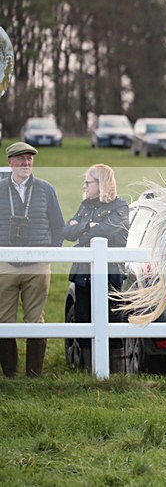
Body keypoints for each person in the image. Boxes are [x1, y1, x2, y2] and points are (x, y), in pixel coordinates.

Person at [0, 142, 64, 377]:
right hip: (4, 264)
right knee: (3, 319)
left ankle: (33, 375)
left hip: (37, 263)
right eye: (21, 159)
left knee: (35, 318)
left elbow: (58, 226)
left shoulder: (46, 189)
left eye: (29, 159)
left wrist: (51, 253)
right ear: (10, 162)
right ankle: (9, 374)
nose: (26, 163)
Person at [63, 164, 129, 369]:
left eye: (88, 182)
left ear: (101, 183)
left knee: (112, 319)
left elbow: (108, 231)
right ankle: (89, 369)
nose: (85, 186)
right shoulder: (85, 206)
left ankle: (114, 372)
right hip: (84, 274)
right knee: (83, 318)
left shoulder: (120, 206)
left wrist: (82, 229)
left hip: (110, 275)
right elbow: (66, 231)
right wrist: (88, 227)